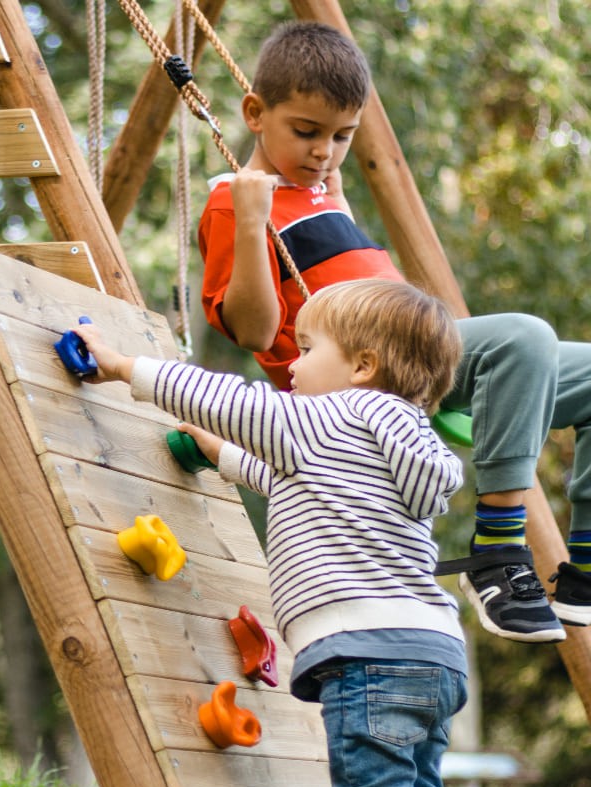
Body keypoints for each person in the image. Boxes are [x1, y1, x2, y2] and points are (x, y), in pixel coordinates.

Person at [197, 20, 591, 643]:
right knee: (524, 336)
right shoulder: (234, 202)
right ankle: (496, 547)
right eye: (306, 131)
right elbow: (253, 330)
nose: (324, 150)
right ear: (255, 112)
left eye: (342, 136)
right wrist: (250, 222)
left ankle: (584, 574)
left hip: (411, 354)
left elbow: (349, 283)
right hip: (368, 376)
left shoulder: (321, 192)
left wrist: (341, 208)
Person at [72, 279, 467, 787]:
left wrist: (125, 366)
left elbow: (240, 402)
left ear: (363, 366)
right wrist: (221, 453)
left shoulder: (336, 413)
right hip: (433, 652)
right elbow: (296, 478)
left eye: (307, 349)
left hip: (370, 653)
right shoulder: (402, 439)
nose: (292, 365)